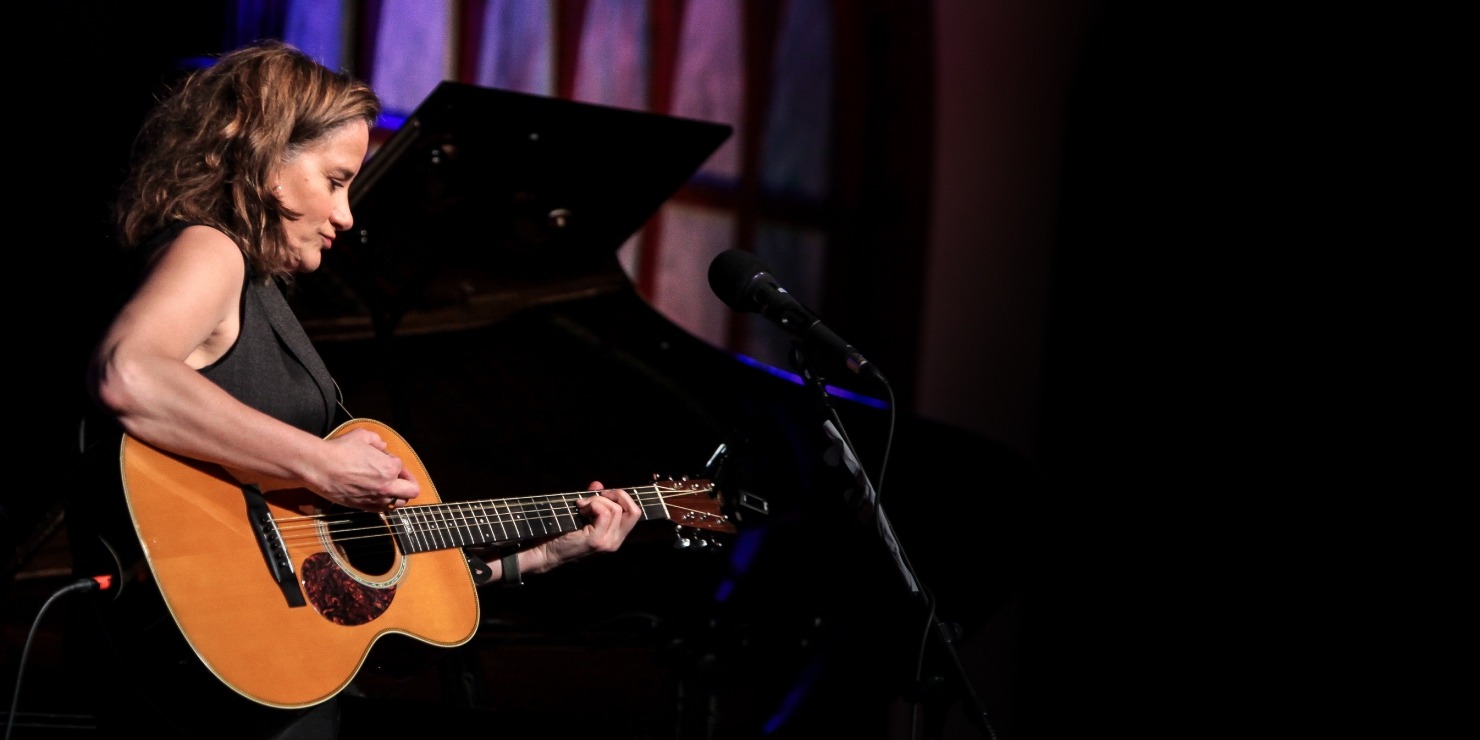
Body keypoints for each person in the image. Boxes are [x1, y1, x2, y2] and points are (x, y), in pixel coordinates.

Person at [63, 39, 643, 738]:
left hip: (264, 667)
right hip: (207, 685)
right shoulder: (209, 248)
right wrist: (322, 462)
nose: (347, 215)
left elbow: (360, 588)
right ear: (266, 156)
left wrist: (541, 555)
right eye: (335, 180)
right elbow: (126, 373)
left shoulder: (256, 286)